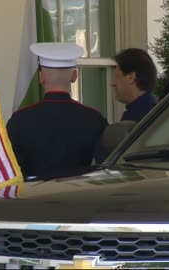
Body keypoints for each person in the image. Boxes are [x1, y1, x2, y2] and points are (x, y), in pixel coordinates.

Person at [7, 42, 108, 179]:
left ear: (41, 77)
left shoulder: (20, 119)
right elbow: (106, 163)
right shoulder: (94, 118)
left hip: (32, 195)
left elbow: (9, 167)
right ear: (74, 76)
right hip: (80, 194)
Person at [112, 48, 158, 122]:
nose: (113, 83)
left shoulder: (138, 117)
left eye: (117, 77)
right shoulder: (156, 110)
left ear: (131, 77)